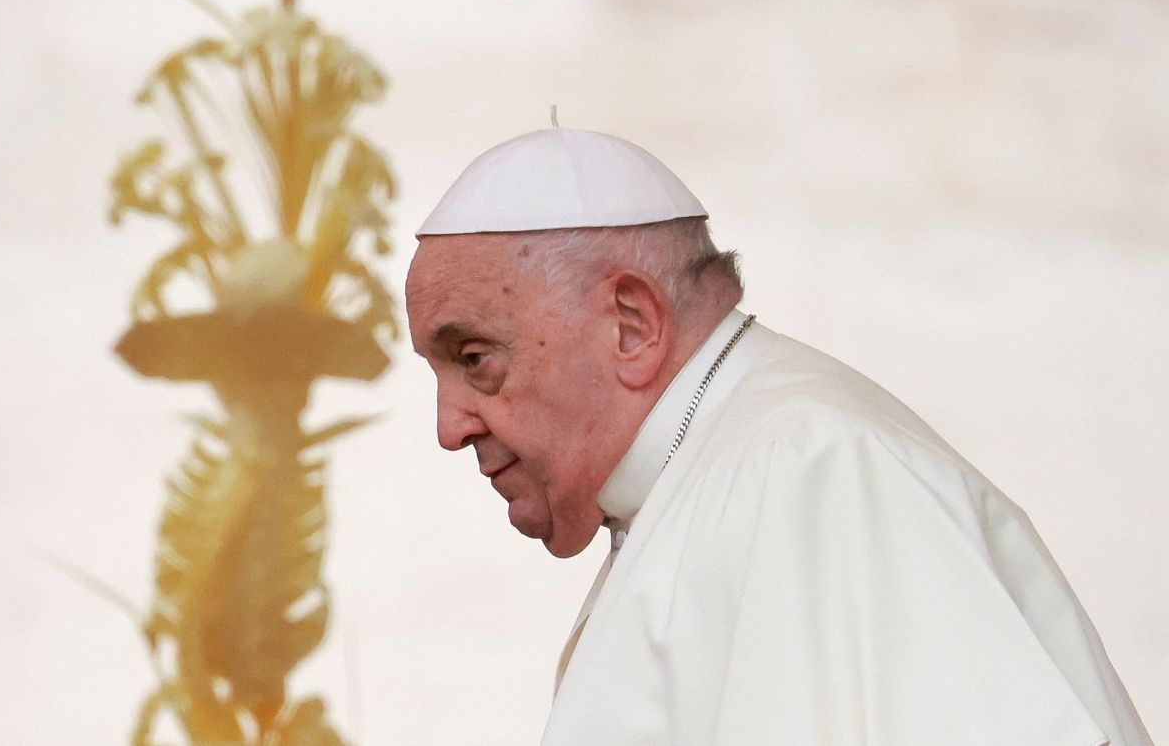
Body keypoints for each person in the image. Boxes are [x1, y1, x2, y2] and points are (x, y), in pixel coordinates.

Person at [404, 123, 1152, 745]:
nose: (449, 425)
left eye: (475, 360)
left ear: (631, 325)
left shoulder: (816, 469)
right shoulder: (704, 477)